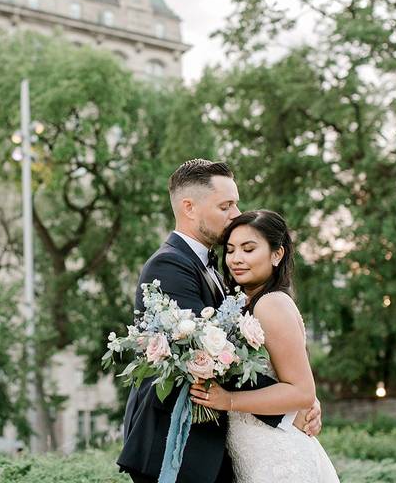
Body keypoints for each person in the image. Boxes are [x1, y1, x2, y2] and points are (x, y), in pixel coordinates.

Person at [117, 160, 321, 483]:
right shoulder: (169, 265)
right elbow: (212, 361)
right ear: (189, 208)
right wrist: (293, 404)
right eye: (226, 205)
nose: (236, 213)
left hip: (212, 448)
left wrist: (299, 396)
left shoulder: (218, 270)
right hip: (175, 448)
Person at [190, 210, 339, 483]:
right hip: (255, 455)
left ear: (276, 254)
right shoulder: (246, 304)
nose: (236, 259)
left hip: (279, 459)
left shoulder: (271, 304)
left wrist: (230, 400)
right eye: (231, 250)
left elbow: (302, 391)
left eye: (249, 249)